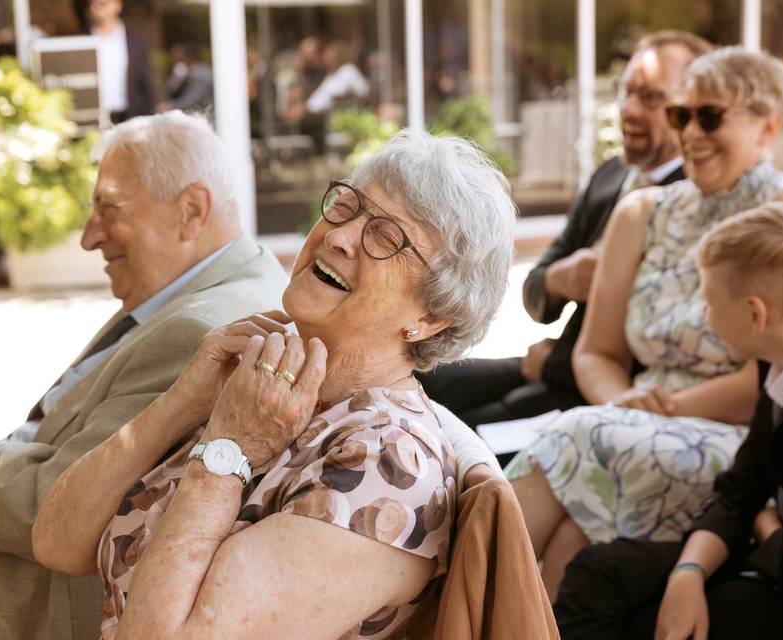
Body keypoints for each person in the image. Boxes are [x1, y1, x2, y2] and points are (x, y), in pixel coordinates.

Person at [32, 130, 519, 639]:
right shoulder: (262, 376)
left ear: (433, 314)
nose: (338, 235)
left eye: (385, 236)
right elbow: (57, 543)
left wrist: (228, 449)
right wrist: (184, 402)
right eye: (347, 206)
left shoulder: (386, 465)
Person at [0, 112, 289, 640]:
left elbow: (57, 499)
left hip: (9, 588)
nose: (90, 238)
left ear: (192, 210)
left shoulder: (203, 331)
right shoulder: (202, 287)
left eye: (109, 209)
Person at [505, 46, 783, 600]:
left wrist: (661, 411)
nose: (689, 134)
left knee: (579, 435)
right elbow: (596, 352)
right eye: (681, 116)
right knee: (574, 527)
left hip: (738, 443)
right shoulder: (643, 212)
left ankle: (447, 611)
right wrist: (626, 404)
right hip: (626, 417)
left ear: (767, 127)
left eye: (710, 116)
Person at [555, 202, 783, 639]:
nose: (703, 316)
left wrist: (765, 525)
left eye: (710, 302)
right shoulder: (776, 365)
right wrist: (689, 570)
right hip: (780, 555)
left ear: (755, 314)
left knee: (637, 619)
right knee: (599, 570)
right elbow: (741, 488)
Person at [420, 31, 712, 426]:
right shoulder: (610, 176)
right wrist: (561, 279)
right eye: (625, 93)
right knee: (414, 382)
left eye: (651, 98)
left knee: (456, 437)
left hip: (590, 395)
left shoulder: (695, 204)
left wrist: (549, 364)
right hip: (544, 365)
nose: (628, 109)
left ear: (690, 111)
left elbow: (652, 350)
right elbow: (534, 289)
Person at [88, 0, 154, 123]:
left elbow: (146, 80)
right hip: (93, 118)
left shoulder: (135, 40)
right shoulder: (81, 40)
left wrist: (152, 113)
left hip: (129, 116)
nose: (97, 7)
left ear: (118, 5)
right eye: (93, 3)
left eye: (103, 3)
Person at [160, 43, 213, 114]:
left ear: (187, 58)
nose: (172, 58)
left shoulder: (202, 76)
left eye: (177, 56)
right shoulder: (189, 72)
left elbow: (190, 100)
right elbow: (170, 90)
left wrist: (169, 106)